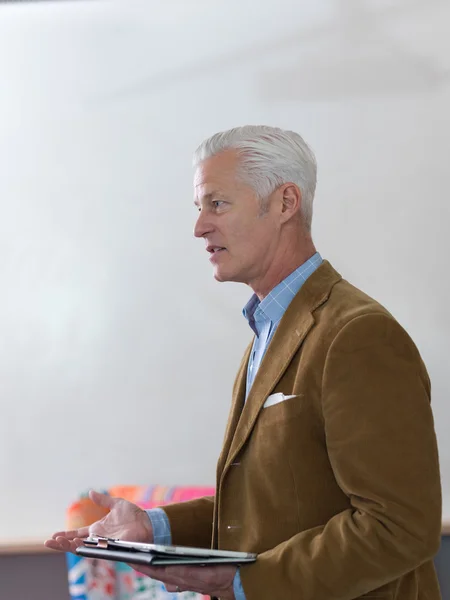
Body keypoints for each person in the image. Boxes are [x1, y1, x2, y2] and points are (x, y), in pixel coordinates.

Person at [46, 126, 442, 600]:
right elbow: (267, 507)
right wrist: (156, 527)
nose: (199, 227)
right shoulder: (270, 328)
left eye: (217, 204)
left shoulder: (357, 335)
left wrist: (246, 583)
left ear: (285, 203)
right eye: (199, 208)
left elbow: (399, 526)